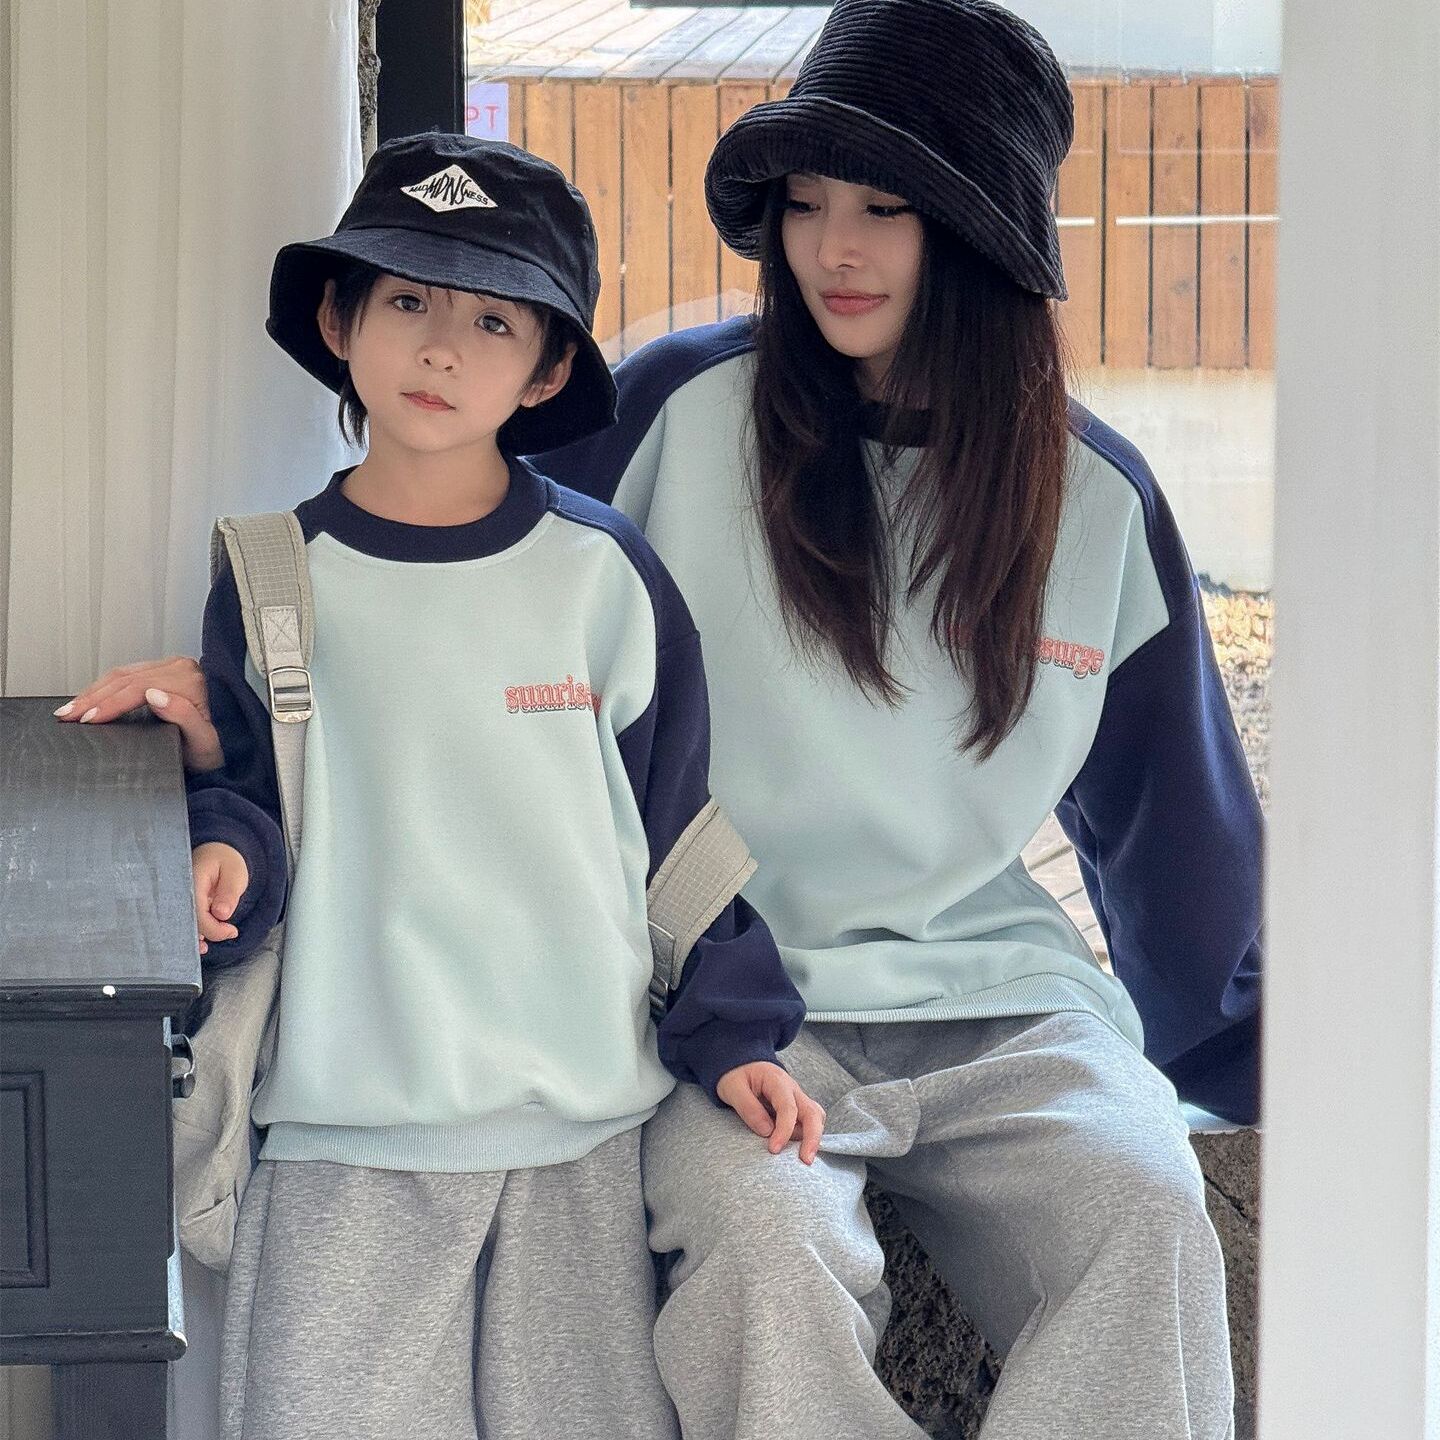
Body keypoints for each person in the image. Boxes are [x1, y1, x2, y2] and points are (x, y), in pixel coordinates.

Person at [62, 2, 1261, 1435]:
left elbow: (1175, 828)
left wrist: (1246, 1057)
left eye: (886, 208)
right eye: (805, 204)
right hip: (718, 994)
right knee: (769, 1250)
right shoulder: (674, 411)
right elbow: (456, 587)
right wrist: (251, 711)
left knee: (1147, 1214)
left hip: (1001, 1002)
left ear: (983, 233)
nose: (833, 249)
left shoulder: (1099, 498)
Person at [82, 131, 822, 1440]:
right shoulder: (272, 576)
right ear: (340, 320)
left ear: (546, 370)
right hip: (344, 1137)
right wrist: (220, 850)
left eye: (492, 321)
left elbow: (677, 836)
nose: (439, 349)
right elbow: (254, 802)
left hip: (578, 1139)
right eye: (408, 301)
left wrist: (738, 1038)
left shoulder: (606, 577)